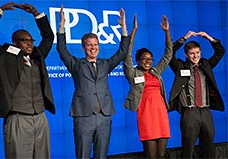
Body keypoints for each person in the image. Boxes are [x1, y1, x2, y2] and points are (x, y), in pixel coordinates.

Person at [56, 4, 131, 159]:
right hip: (83, 116)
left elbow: (122, 52)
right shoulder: (76, 64)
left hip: (104, 116)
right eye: (89, 45)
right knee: (82, 154)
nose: (93, 47)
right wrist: (62, 26)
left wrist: (123, 27)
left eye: (95, 44)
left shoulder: (105, 63)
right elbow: (62, 50)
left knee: (101, 155)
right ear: (83, 48)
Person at [0, 2, 55, 158]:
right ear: (15, 43)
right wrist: (0, 10)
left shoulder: (38, 57)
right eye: (25, 40)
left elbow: (48, 36)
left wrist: (37, 14)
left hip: (40, 117)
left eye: (31, 40)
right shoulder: (4, 57)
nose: (30, 43)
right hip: (17, 118)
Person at [169, 31, 225, 158]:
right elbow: (169, 53)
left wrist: (210, 38)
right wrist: (184, 38)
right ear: (186, 54)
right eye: (192, 53)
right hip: (189, 113)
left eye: (198, 53)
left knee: (208, 146)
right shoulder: (180, 66)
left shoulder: (206, 65)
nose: (195, 56)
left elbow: (220, 51)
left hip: (205, 112)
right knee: (188, 148)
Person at [123, 15, 172, 159]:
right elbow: (126, 55)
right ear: (138, 60)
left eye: (150, 59)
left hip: (161, 113)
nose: (148, 61)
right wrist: (134, 31)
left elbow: (168, 55)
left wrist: (167, 32)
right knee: (151, 156)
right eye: (144, 59)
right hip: (146, 115)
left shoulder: (156, 72)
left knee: (161, 155)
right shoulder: (133, 73)